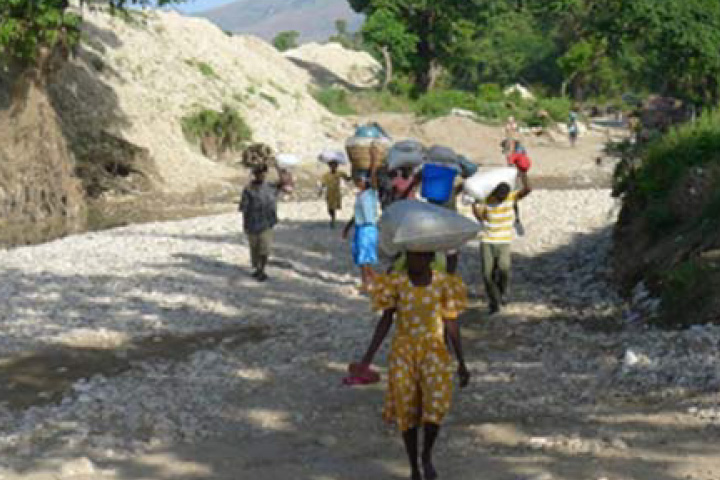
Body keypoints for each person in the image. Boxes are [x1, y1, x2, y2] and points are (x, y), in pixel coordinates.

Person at [355, 250, 470, 480]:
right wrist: (367, 357)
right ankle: (413, 465)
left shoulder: (443, 284)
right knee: (406, 410)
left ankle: (426, 454)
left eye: (419, 257)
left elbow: (451, 323)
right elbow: (386, 320)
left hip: (434, 352)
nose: (414, 262)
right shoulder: (397, 283)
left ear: (429, 258)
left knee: (435, 405)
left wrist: (461, 362)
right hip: (403, 353)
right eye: (411, 257)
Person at [472, 172, 532, 314]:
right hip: (487, 240)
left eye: (503, 197)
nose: (501, 200)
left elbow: (528, 189)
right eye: (499, 197)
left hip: (504, 240)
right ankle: (494, 302)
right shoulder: (487, 201)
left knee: (504, 269)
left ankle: (501, 292)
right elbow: (481, 218)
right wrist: (474, 207)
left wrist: (523, 173)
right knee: (487, 274)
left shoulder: (511, 198)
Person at [239, 164, 292, 282]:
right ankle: (257, 268)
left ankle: (261, 270)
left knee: (265, 248)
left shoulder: (271, 186)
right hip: (252, 223)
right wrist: (245, 224)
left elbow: (286, 184)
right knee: (254, 249)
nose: (262, 175)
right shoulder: (248, 189)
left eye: (264, 173)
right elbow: (244, 208)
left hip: (267, 223)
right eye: (259, 173)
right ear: (254, 174)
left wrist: (278, 167)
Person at [343, 155, 380, 292]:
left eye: (360, 180)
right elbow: (356, 214)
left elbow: (373, 176)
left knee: (365, 258)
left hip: (368, 229)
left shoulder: (371, 193)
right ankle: (371, 280)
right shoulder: (359, 196)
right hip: (359, 228)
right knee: (360, 257)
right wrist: (347, 227)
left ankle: (369, 282)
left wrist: (373, 160)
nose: (357, 183)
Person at [319, 160, 350, 228]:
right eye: (331, 165)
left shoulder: (340, 173)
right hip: (329, 193)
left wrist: (353, 174)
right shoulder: (326, 175)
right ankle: (332, 217)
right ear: (329, 166)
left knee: (334, 207)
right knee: (330, 208)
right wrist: (320, 191)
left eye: (335, 165)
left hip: (336, 193)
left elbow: (347, 179)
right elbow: (323, 184)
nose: (333, 167)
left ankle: (333, 219)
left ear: (337, 166)